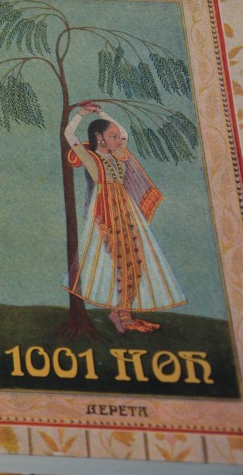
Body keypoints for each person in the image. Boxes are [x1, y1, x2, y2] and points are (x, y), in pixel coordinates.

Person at [63, 102, 186, 333]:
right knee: (122, 263)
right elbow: (69, 134)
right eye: (112, 137)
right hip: (107, 213)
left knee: (136, 261)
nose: (118, 140)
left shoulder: (117, 154)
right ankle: (122, 316)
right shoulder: (90, 158)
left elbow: (124, 133)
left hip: (126, 210)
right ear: (99, 137)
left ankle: (122, 313)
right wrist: (81, 114)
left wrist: (101, 112)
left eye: (116, 137)